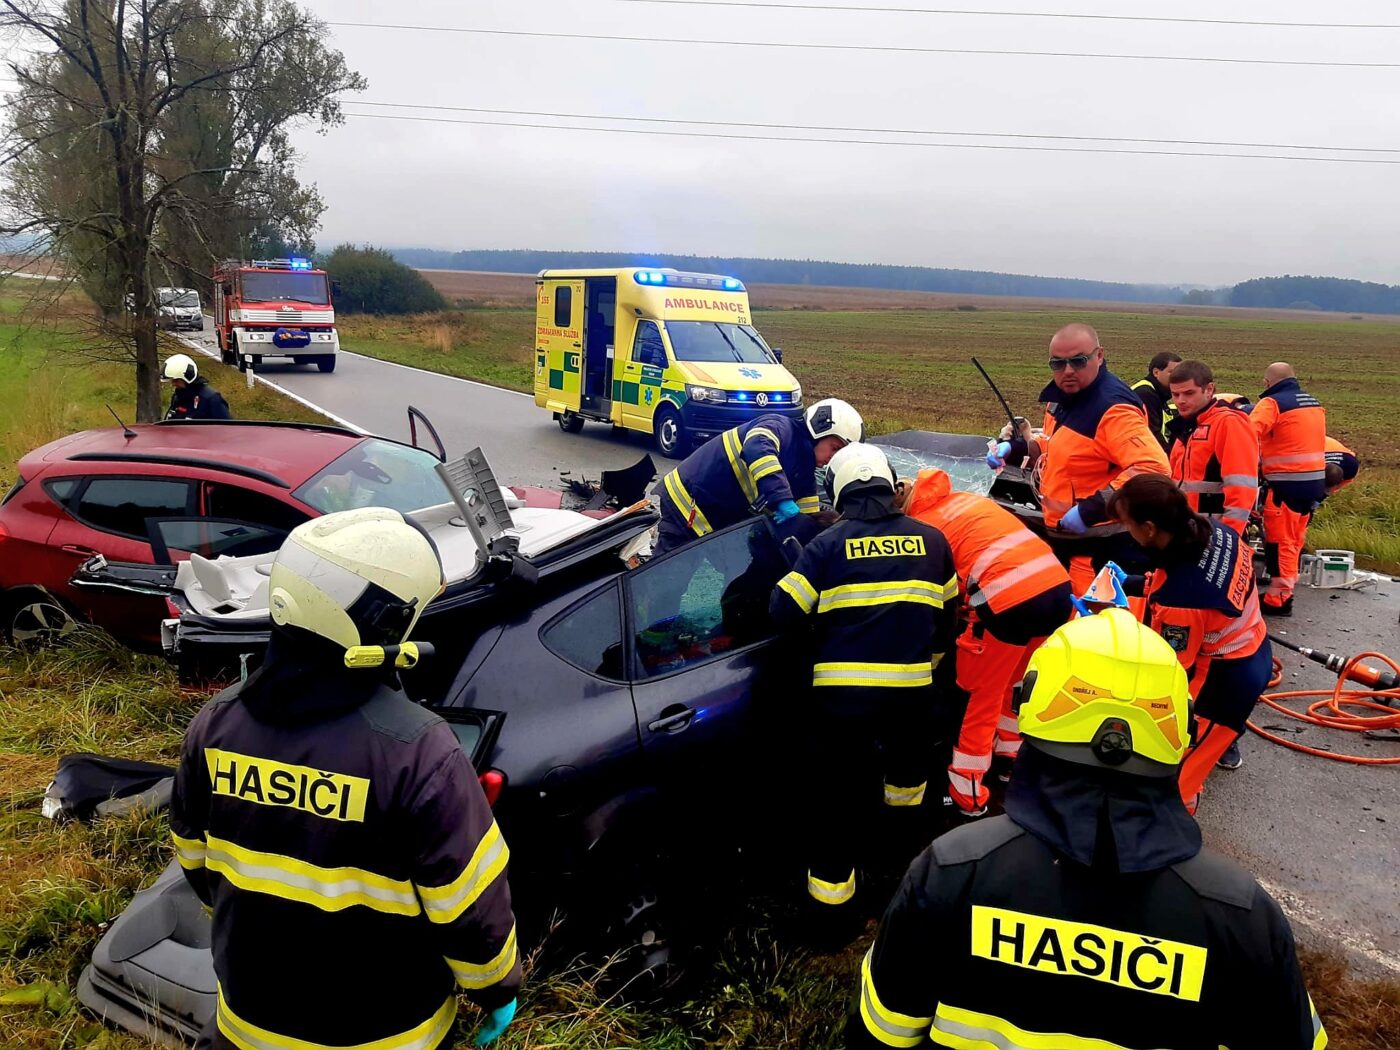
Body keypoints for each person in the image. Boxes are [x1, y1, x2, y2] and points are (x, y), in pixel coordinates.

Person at [847, 608, 1326, 1050]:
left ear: (1031, 703)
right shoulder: (1239, 914)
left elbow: (883, 1034)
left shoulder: (954, 870)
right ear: (1179, 729)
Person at [170, 508, 521, 1049]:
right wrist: (498, 989)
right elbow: (470, 910)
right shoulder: (420, 754)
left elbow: (197, 866)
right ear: (382, 622)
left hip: (247, 1027)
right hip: (388, 1035)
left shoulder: (214, 726)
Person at [769, 444, 958, 929]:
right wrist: (924, 667)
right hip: (914, 701)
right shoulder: (933, 542)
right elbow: (948, 621)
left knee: (836, 801)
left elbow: (782, 612)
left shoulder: (827, 546)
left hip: (843, 704)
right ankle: (898, 892)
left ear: (838, 491)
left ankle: (831, 919)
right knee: (906, 793)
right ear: (890, 485)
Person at [900, 468, 1072, 817]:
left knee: (979, 697)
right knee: (1017, 684)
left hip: (1010, 602)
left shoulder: (924, 531)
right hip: (1057, 589)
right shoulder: (966, 501)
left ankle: (969, 792)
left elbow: (942, 597)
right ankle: (1010, 757)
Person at [1111, 474, 1272, 795]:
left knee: (1175, 778)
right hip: (1253, 646)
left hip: (1223, 686)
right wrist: (1133, 584)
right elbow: (1186, 580)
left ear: (1149, 528)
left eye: (1127, 524)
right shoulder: (1214, 532)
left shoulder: (1182, 602)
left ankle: (1168, 836)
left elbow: (1170, 671)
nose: (1126, 531)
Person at [988, 323, 1170, 592]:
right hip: (1067, 543)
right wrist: (1016, 449)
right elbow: (1058, 448)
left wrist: (1091, 509)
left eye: (1078, 361)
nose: (1068, 370)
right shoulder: (1061, 399)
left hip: (1104, 549)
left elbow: (1152, 468)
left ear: (1099, 356)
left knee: (1098, 628)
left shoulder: (1113, 408)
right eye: (1058, 364)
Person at [654, 398, 864, 556]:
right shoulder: (780, 427)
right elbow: (757, 446)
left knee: (738, 575)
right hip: (685, 506)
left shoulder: (805, 475)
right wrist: (783, 500)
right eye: (834, 448)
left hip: (717, 521)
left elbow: (805, 526)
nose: (832, 458)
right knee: (669, 581)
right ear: (819, 429)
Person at [1250, 363, 1326, 616]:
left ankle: (1278, 599)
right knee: (1294, 540)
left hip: (1285, 485)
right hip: (1313, 484)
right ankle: (1285, 589)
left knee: (1279, 542)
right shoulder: (1312, 403)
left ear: (1267, 383)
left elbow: (1248, 433)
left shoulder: (1272, 404)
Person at [1165, 360, 1260, 536]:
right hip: (1185, 531)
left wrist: (1229, 538)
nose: (1181, 401)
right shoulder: (1186, 427)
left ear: (1209, 390)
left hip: (1213, 534)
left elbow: (1242, 488)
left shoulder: (1229, 423)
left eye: (1189, 393)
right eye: (1175, 395)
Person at [1131, 350, 1182, 449]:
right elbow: (1152, 434)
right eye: (1172, 372)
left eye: (1180, 373)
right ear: (1156, 372)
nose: (1177, 377)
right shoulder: (1145, 394)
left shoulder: (1158, 392)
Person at [163, 353, 232, 420]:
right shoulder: (178, 397)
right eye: (172, 380)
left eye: (176, 380)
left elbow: (227, 428)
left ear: (188, 377)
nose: (173, 383)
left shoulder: (211, 399)